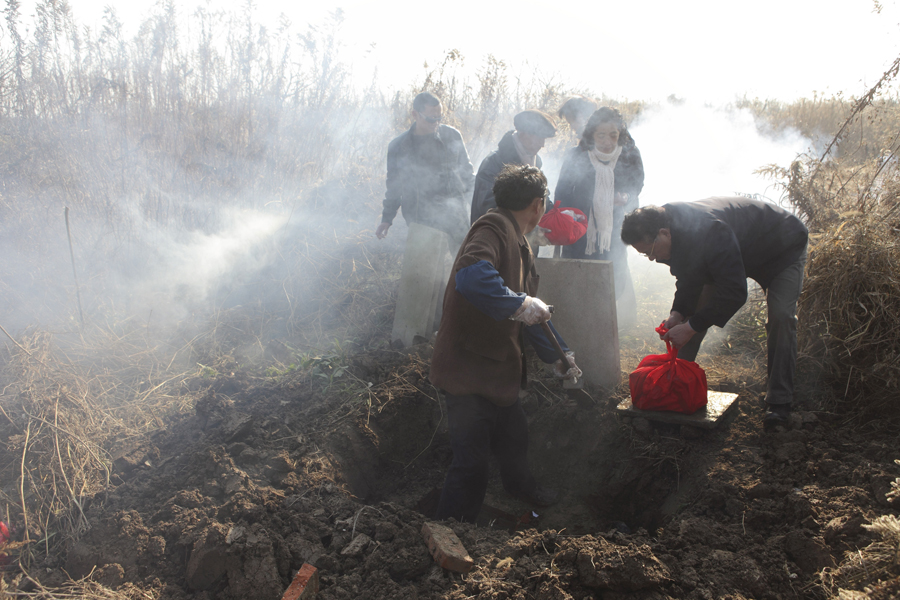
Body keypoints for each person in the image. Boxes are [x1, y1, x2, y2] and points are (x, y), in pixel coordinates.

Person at [430, 164, 581, 523]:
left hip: (495, 368)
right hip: (468, 370)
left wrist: (558, 355)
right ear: (537, 204)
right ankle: (450, 527)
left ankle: (518, 486)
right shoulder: (492, 227)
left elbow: (528, 310)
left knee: (515, 435)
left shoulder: (518, 239)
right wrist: (520, 304)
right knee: (471, 462)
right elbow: (472, 276)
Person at [620, 198, 809, 426]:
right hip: (732, 254)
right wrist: (677, 314)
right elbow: (688, 277)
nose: (651, 258)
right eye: (644, 255)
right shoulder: (668, 227)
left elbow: (735, 292)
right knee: (694, 316)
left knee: (781, 316)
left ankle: (779, 402)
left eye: (650, 251)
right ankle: (676, 385)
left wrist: (691, 327)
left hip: (780, 247)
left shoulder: (709, 230)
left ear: (664, 233)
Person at [554, 107, 644, 321]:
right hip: (581, 229)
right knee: (579, 276)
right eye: (601, 135)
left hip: (615, 228)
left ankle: (604, 322)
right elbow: (563, 191)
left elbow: (637, 185)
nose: (607, 141)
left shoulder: (629, 155)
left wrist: (625, 198)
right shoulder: (577, 155)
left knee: (613, 277)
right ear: (592, 134)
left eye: (613, 135)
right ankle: (578, 322)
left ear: (620, 133)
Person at [376, 92, 475, 246]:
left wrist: (477, 209)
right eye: (430, 118)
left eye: (439, 118)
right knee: (424, 268)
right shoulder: (398, 146)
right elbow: (394, 186)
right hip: (420, 219)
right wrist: (387, 219)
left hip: (456, 217)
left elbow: (467, 174)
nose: (435, 123)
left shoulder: (452, 136)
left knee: (465, 265)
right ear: (415, 114)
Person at [470, 110, 557, 224]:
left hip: (520, 236)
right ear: (523, 134)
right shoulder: (494, 162)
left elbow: (540, 198)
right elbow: (489, 207)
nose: (542, 144)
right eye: (539, 138)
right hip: (492, 235)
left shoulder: (534, 162)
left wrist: (556, 217)